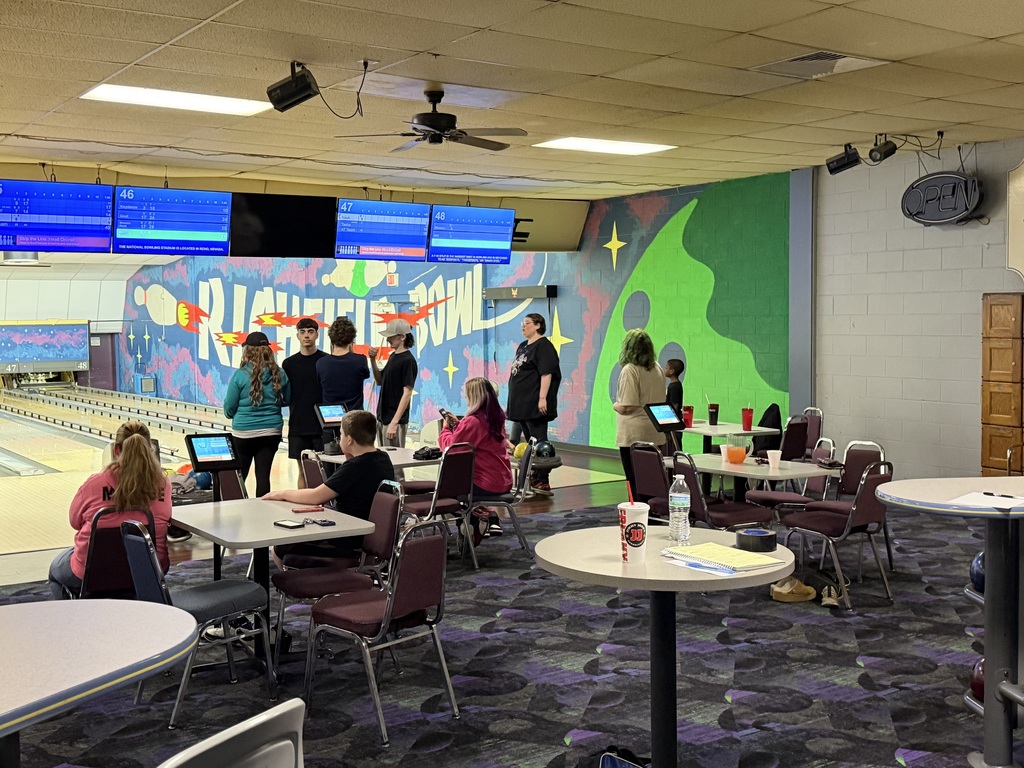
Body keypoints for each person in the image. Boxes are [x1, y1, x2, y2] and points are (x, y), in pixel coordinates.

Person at [47, 421, 172, 599]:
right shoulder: (163, 484)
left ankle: (75, 619)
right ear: (150, 448)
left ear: (116, 450)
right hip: (149, 571)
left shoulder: (94, 483)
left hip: (94, 574)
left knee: (55, 570)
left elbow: (75, 522)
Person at [263, 410, 395, 564]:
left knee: (280, 547)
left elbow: (315, 497)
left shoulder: (354, 467)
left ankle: (295, 585)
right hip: (371, 535)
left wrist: (282, 493)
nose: (340, 439)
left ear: (350, 440)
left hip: (347, 540)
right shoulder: (383, 458)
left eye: (341, 435)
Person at [439, 378, 513, 540]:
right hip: (503, 480)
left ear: (473, 397)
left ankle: (472, 522)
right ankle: (476, 519)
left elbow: (451, 449)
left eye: (466, 396)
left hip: (486, 483)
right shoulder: (495, 418)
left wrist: (445, 430)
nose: (465, 399)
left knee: (444, 491)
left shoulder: (473, 422)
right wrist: (460, 427)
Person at [224, 331, 291, 498]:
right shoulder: (280, 373)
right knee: (263, 477)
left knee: (240, 476)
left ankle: (235, 511)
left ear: (247, 350)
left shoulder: (240, 375)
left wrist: (235, 413)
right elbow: (288, 399)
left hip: (243, 433)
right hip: (271, 432)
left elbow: (229, 408)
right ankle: (262, 513)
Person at [506, 312, 561, 496]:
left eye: (527, 323)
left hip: (533, 405)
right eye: (523, 323)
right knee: (530, 442)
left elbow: (547, 373)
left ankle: (542, 479)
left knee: (539, 442)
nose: (523, 326)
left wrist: (542, 398)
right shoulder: (523, 346)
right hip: (521, 404)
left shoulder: (544, 346)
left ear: (538, 325)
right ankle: (531, 475)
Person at [613, 329, 666, 503]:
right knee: (650, 478)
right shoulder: (657, 368)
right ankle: (653, 511)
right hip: (654, 431)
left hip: (633, 434)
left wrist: (615, 405)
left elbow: (628, 406)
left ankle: (637, 513)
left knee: (634, 479)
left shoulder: (630, 370)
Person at [282, 317, 327, 488]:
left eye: (310, 332)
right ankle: (301, 506)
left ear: (317, 335)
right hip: (299, 425)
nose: (306, 336)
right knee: (302, 472)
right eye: (302, 332)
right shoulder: (289, 364)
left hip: (321, 426)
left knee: (322, 471)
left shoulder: (325, 361)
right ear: (297, 336)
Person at [316, 316, 370, 448]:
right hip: (355, 422)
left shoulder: (321, 363)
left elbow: (319, 384)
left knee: (331, 465)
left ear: (331, 338)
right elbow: (365, 375)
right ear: (352, 339)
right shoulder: (360, 360)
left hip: (329, 423)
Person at [369, 318, 417, 448]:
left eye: (391, 336)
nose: (388, 339)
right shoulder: (393, 356)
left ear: (402, 337)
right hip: (384, 418)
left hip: (394, 420)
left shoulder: (408, 361)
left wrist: (394, 423)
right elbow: (379, 381)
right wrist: (372, 360)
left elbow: (407, 393)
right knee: (385, 460)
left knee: (395, 463)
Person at [664, 357, 685, 454]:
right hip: (674, 422)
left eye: (666, 368)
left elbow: (674, 406)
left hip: (674, 424)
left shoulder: (674, 387)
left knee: (675, 447)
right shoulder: (675, 385)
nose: (665, 370)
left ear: (672, 371)